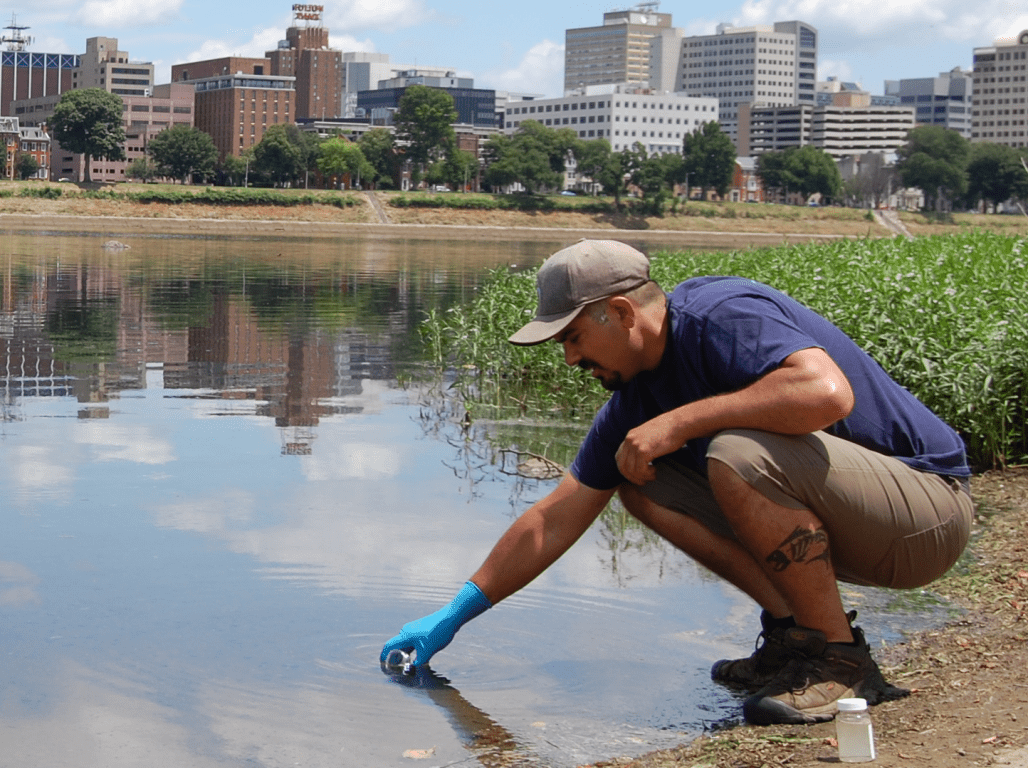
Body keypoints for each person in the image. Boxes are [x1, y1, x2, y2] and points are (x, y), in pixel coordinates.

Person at [381, 239, 973, 725]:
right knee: (638, 481)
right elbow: (553, 517)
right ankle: (797, 639)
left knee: (736, 453)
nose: (568, 359)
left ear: (617, 311)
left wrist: (679, 422)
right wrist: (454, 614)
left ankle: (841, 664)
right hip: (858, 522)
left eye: (571, 338)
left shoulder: (720, 313)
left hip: (927, 515)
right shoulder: (633, 396)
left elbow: (826, 393)